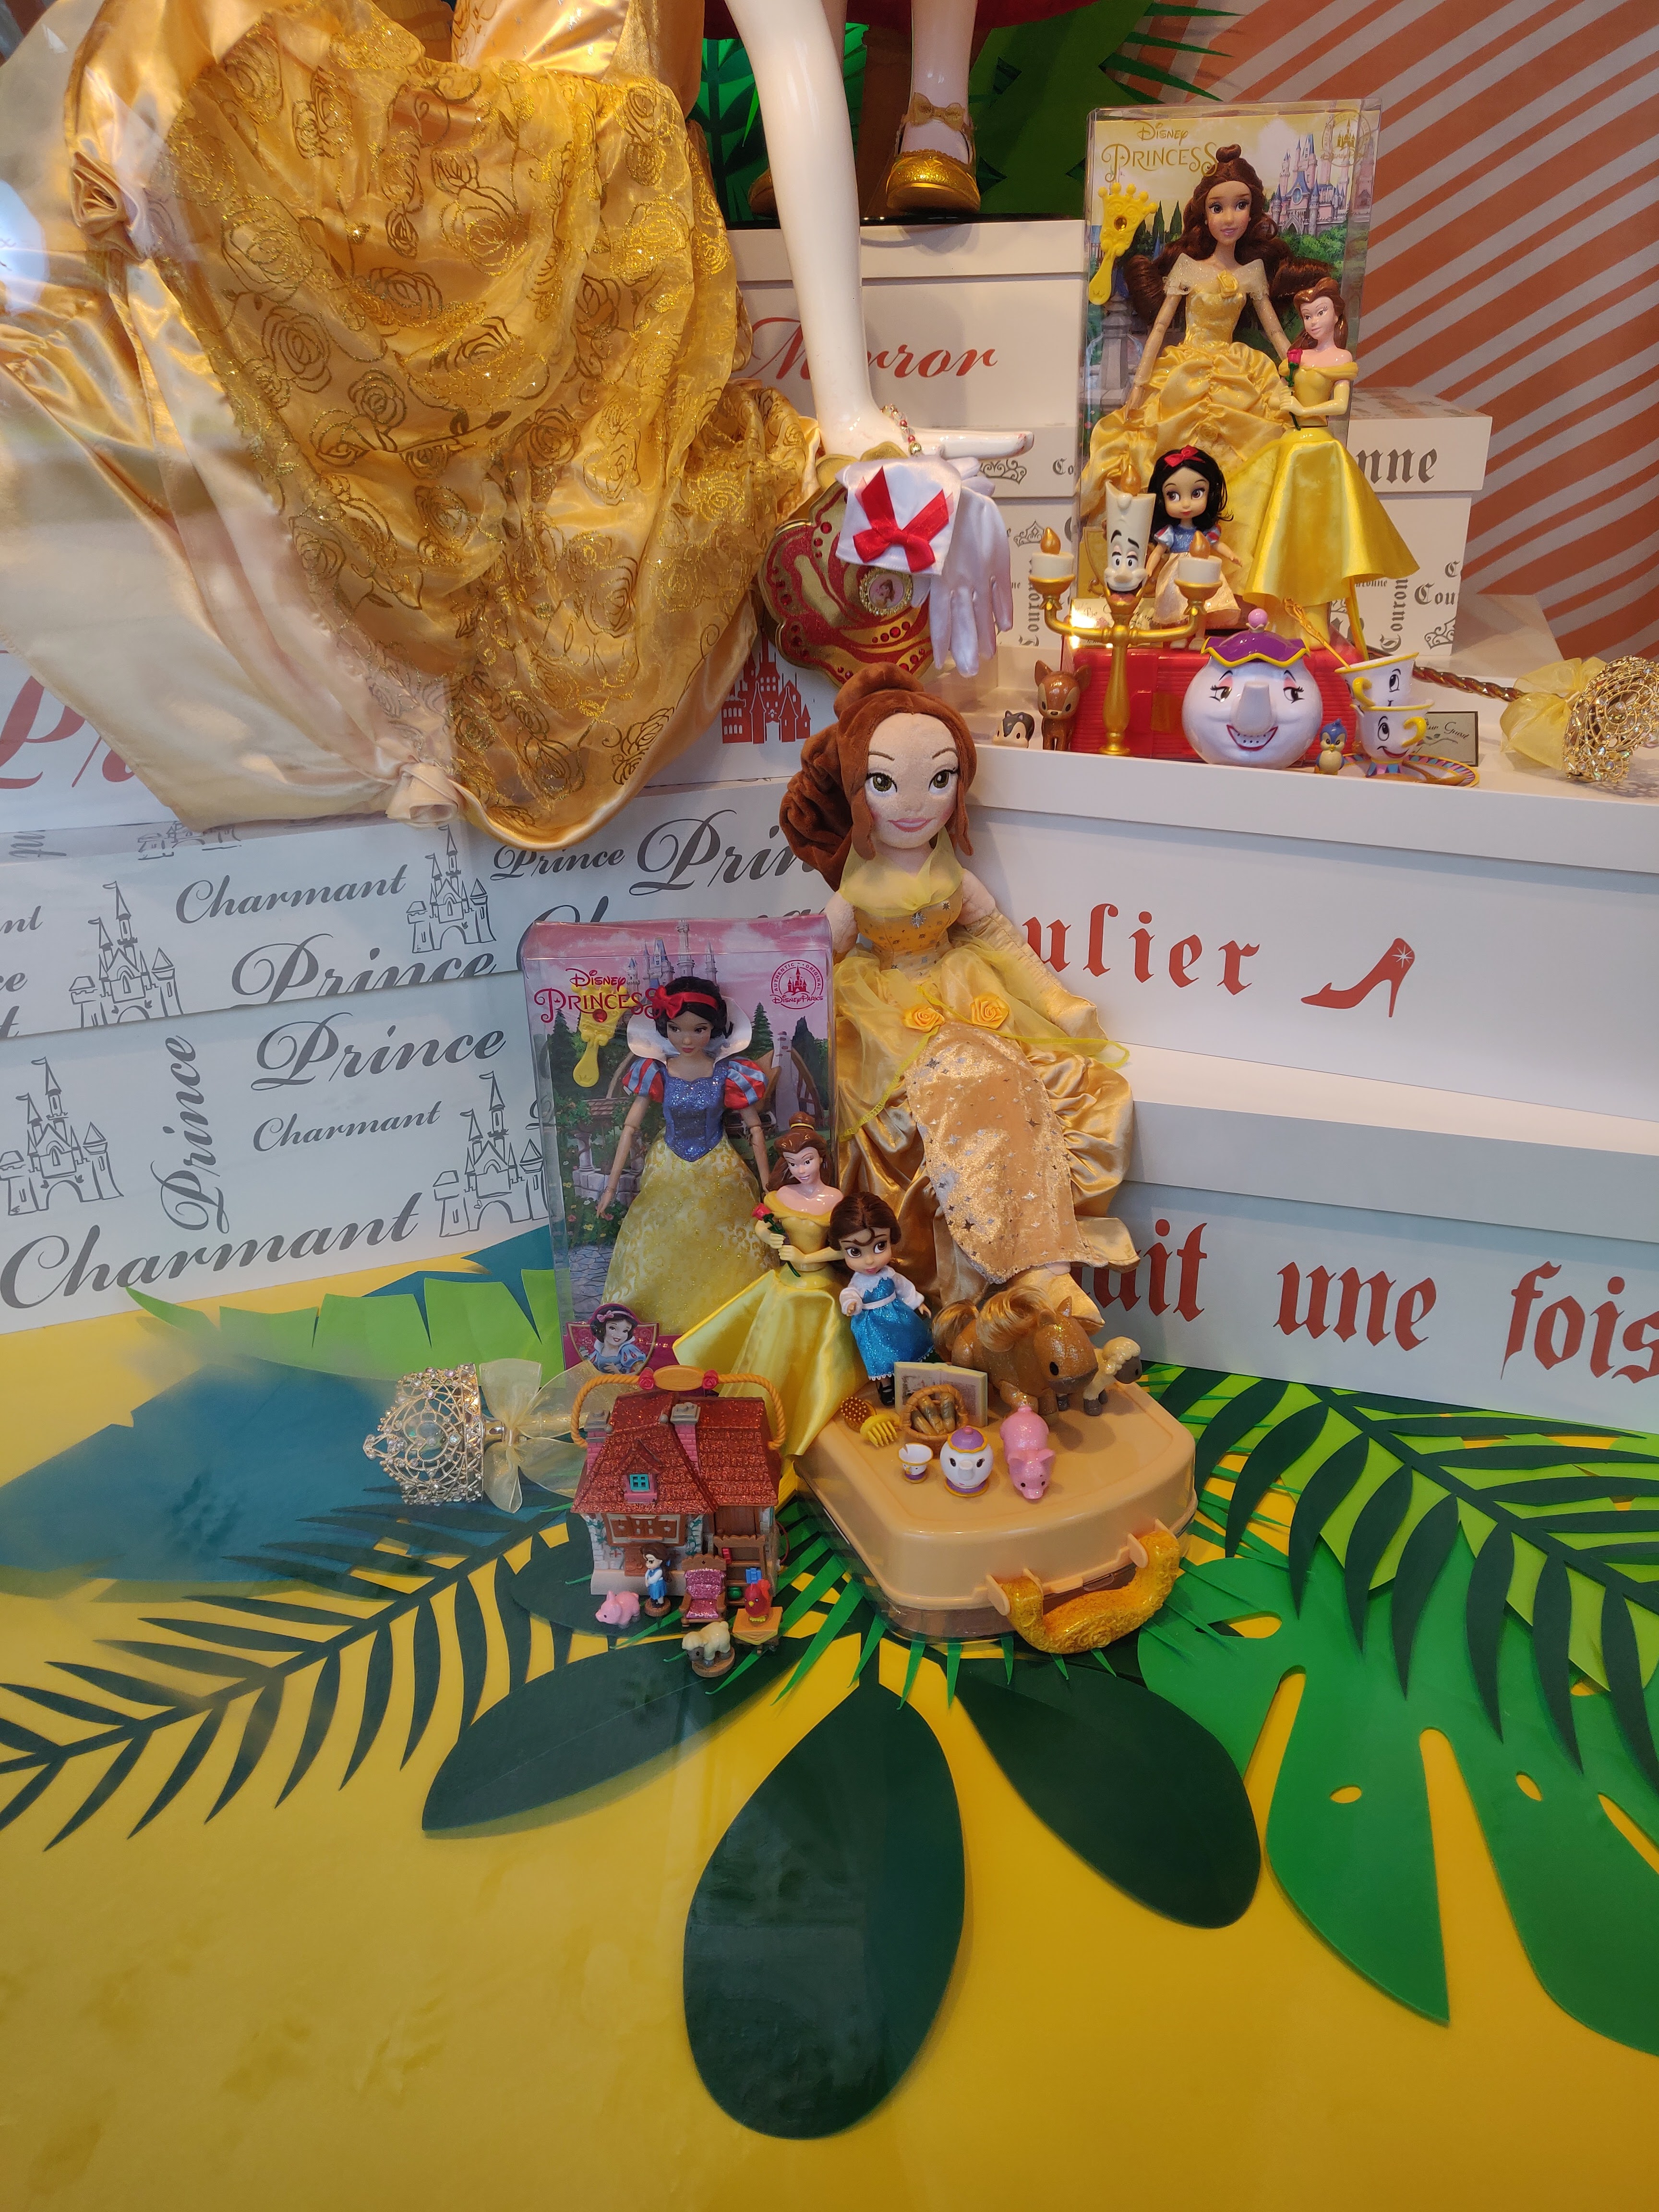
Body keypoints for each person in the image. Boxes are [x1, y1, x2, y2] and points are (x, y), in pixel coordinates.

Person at [0, 0, 1024, 845]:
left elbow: (792, 47)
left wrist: (849, 412)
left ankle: (405, 704)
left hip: (588, 228)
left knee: (576, 582)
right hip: (468, 206)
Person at [779, 665, 1137, 1318]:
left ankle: (1045, 1264)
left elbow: (999, 938)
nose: (916, 805)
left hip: (958, 983)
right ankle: (992, 1275)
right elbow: (814, 963)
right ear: (859, 788)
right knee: (940, 1092)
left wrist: (1055, 1002)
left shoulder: (953, 873)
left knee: (1013, 1077)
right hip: (882, 1001)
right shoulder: (855, 891)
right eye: (885, 783)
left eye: (940, 780)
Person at [1078, 146, 1322, 520]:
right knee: (1156, 439)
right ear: (1204, 215)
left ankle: (1238, 525)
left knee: (1258, 439)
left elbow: (1273, 329)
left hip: (1236, 367)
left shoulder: (1252, 272)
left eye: (1241, 206)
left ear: (1253, 212)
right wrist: (1140, 383)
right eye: (1217, 208)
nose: (1229, 217)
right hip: (1187, 365)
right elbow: (1161, 326)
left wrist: (1300, 367)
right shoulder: (1188, 268)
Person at [1224, 277, 1418, 649]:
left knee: (1315, 533)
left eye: (1320, 313)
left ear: (1337, 315)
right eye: (1307, 316)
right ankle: (1277, 612)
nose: (1313, 322)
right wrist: (1283, 402)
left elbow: (1340, 406)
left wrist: (1303, 409)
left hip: (1317, 452)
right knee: (1275, 524)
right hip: (1291, 448)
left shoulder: (1340, 359)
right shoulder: (1297, 357)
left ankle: (1311, 619)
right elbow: (1280, 393)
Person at [675, 1117, 864, 1455]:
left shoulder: (835, 1199)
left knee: (820, 1353)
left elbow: (846, 1247)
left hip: (820, 1288)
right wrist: (769, 1237)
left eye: (807, 1161)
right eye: (793, 1164)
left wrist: (808, 1258)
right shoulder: (783, 1195)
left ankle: (805, 1407)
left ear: (821, 1158)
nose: (801, 1170)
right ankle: (763, 1406)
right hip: (786, 1283)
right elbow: (763, 1223)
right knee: (770, 1348)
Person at [597, 976, 771, 1336]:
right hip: (669, 1165)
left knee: (726, 1244)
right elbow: (630, 1128)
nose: (687, 1039)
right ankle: (657, 1325)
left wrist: (769, 1188)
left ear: (714, 1029)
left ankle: (724, 1328)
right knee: (660, 1238)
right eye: (676, 1029)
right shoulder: (657, 1072)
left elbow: (755, 1128)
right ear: (665, 1027)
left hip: (717, 1165)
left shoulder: (729, 1074)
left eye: (699, 1030)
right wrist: (611, 1187)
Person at [830, 1191, 932, 1405]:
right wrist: (852, 1304)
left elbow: (904, 1287)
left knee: (907, 1344)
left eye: (880, 1246)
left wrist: (917, 1302)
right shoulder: (858, 1283)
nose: (870, 1260)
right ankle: (886, 1385)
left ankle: (912, 1376)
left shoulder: (889, 1274)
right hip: (871, 1326)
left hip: (898, 1317)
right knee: (879, 1356)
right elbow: (849, 1294)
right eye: (855, 1252)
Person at [588, 1304, 649, 1375]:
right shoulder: (597, 1352)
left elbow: (641, 1373)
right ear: (602, 1329)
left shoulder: (628, 1349)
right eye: (613, 1328)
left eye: (625, 1331)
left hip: (624, 1382)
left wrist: (618, 1374)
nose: (620, 1335)